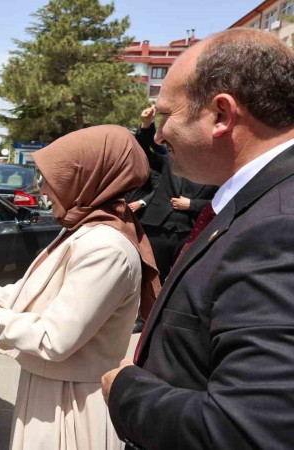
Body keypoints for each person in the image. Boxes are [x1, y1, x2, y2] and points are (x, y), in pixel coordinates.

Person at [102, 28, 294, 450]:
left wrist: (127, 391)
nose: (158, 135)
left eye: (166, 115)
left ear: (221, 115)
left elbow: (249, 429)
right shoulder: (261, 201)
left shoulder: (278, 226)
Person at [0, 125, 160, 450]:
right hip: (53, 388)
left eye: (51, 179)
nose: (42, 189)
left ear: (85, 179)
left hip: (71, 405)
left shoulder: (105, 247)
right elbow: (29, 292)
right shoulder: (83, 229)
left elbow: (53, 340)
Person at [134, 105, 217, 283]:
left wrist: (192, 204)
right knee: (148, 277)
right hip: (156, 227)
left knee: (178, 280)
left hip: (188, 232)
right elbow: (144, 150)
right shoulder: (169, 160)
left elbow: (220, 201)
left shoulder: (216, 172)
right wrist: (147, 125)